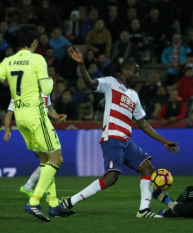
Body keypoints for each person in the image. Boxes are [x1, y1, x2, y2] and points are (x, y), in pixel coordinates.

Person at [60, 47, 179, 218]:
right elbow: (90, 83)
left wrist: (163, 140)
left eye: (138, 72)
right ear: (125, 70)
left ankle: (143, 210)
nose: (137, 75)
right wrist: (82, 65)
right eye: (135, 71)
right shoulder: (111, 83)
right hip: (112, 137)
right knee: (111, 178)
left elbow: (143, 123)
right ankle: (69, 202)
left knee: (148, 168)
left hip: (126, 140)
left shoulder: (134, 96)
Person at [0, 25, 74, 222]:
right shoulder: (38, 59)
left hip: (20, 118)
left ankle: (54, 203)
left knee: (46, 160)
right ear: (35, 43)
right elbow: (47, 88)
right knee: (57, 160)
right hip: (36, 115)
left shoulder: (8, 61)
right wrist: (49, 81)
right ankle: (34, 201)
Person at [4, 93, 67, 202]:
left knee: (48, 162)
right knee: (52, 161)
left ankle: (30, 188)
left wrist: (56, 116)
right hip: (36, 129)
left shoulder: (45, 89)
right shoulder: (21, 91)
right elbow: (9, 113)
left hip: (44, 126)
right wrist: (7, 130)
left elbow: (49, 107)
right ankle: (48, 197)